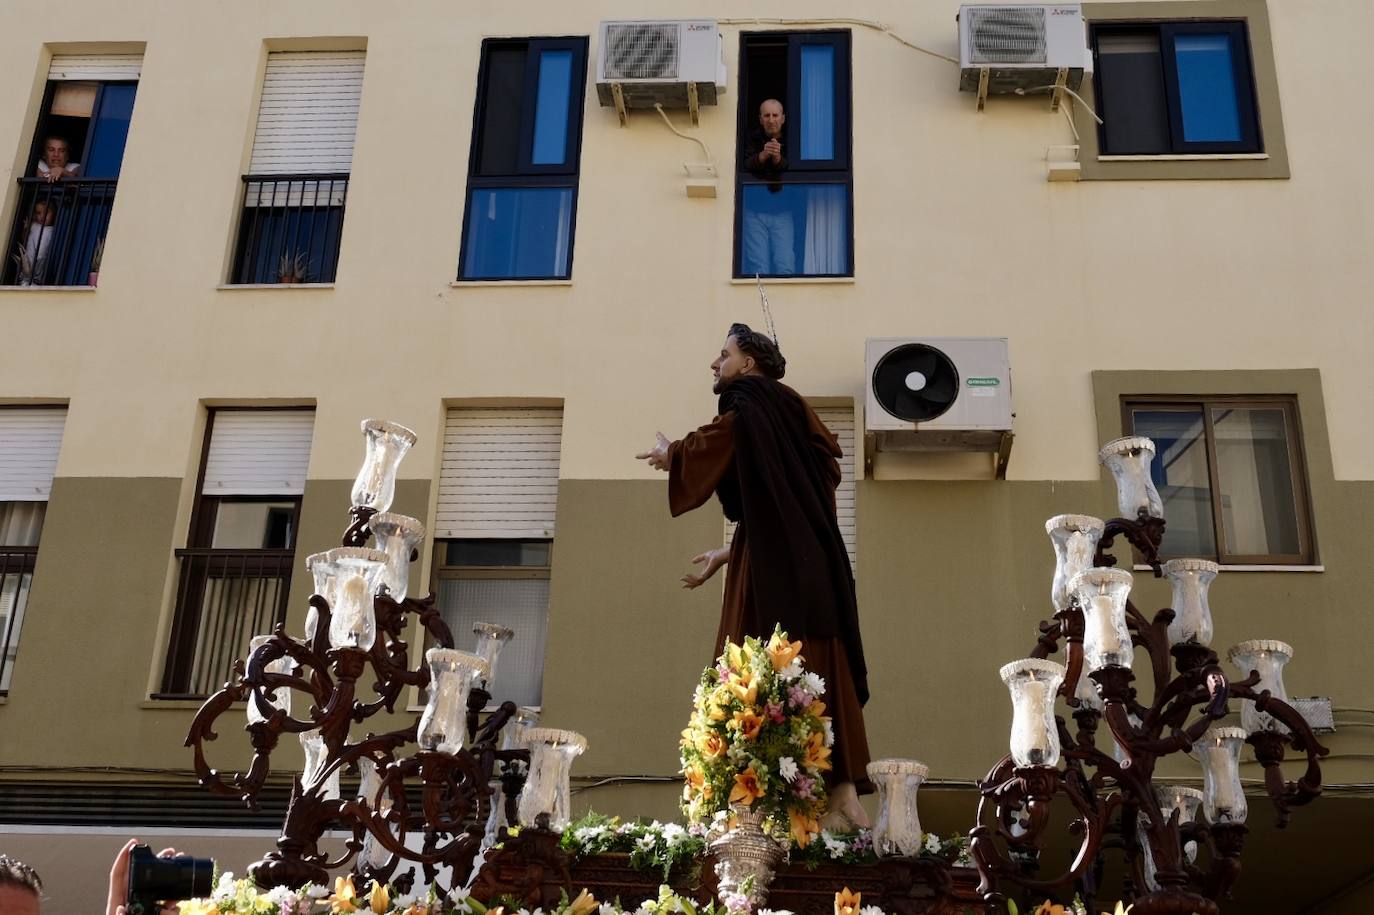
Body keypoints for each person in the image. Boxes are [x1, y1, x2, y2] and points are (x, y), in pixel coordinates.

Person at [637, 323, 872, 828]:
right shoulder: (793, 411)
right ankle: (844, 795)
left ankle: (748, 809)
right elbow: (786, 506)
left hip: (775, 569)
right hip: (816, 560)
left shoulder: (750, 402)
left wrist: (672, 453)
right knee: (821, 656)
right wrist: (729, 551)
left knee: (762, 656)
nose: (715, 364)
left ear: (748, 364)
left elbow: (718, 440)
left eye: (723, 355)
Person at [740, 100, 795, 276]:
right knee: (758, 266)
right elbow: (743, 166)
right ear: (760, 119)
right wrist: (762, 156)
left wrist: (779, 159)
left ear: (783, 118)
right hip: (754, 210)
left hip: (783, 210)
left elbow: (798, 168)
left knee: (785, 263)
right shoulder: (750, 138)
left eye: (775, 115)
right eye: (767, 115)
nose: (771, 120)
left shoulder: (795, 139)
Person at [17, 199, 57, 285]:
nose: (42, 216)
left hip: (38, 274)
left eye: (46, 213)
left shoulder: (52, 231)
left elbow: (43, 254)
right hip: (26, 270)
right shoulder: (34, 225)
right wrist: (25, 229)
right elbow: (24, 239)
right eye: (39, 213)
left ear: (53, 214)